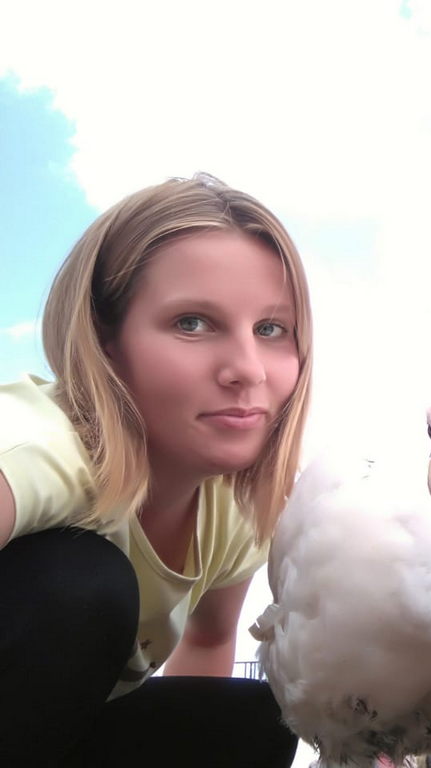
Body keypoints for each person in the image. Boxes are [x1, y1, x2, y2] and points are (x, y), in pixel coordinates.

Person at [0, 174, 313, 767]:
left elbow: (211, 639)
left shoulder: (238, 507)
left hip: (68, 728)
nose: (248, 370)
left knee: (248, 721)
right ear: (105, 337)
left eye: (271, 329)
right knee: (80, 584)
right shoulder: (37, 444)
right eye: (192, 322)